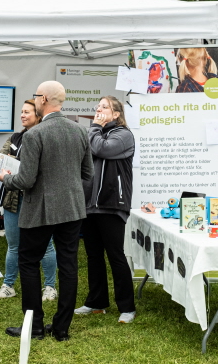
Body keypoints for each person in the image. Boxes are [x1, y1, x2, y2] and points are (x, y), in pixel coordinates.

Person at [0, 81, 93, 341]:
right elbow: (88, 174)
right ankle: (61, 329)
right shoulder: (80, 131)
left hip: (39, 209)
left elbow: (25, 180)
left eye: (35, 96)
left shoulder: (34, 134)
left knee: (28, 263)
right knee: (68, 266)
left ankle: (35, 327)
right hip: (72, 209)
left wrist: (5, 178)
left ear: (43, 99)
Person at [75, 96, 136, 323]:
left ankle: (127, 307)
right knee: (93, 256)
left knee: (115, 255)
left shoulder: (123, 135)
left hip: (111, 204)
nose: (98, 110)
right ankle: (96, 302)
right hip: (90, 204)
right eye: (98, 106)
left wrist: (94, 128)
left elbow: (102, 149)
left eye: (104, 107)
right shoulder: (95, 133)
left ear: (116, 114)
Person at [0, 100, 57, 301]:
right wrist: (22, 168)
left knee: (45, 245)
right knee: (14, 244)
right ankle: (8, 285)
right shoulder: (16, 137)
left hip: (39, 200)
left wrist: (17, 167)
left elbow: (43, 166)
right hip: (14, 198)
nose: (22, 115)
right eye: (21, 112)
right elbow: (1, 157)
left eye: (27, 112)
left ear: (38, 115)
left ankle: (50, 287)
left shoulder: (46, 135)